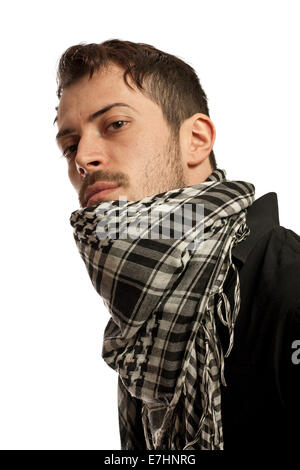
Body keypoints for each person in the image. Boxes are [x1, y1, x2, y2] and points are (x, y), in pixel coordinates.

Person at [54, 39, 300, 450]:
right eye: (69, 145)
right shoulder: (143, 319)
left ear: (196, 140)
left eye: (115, 124)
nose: (84, 157)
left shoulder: (287, 284)